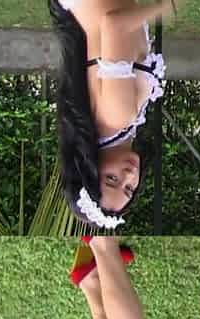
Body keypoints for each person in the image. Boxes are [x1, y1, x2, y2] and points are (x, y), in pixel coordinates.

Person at [48, 0, 181, 229]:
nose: (129, 175)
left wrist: (164, 7)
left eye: (112, 179)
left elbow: (115, 26)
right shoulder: (112, 127)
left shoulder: (117, 118)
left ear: (90, 168)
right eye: (129, 188)